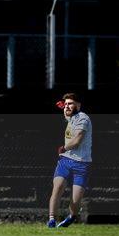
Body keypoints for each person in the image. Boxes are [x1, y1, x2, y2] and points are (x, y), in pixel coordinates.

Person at [47, 93, 93, 228]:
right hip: (65, 161)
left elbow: (77, 140)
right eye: (65, 103)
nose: (67, 106)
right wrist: (65, 107)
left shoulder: (83, 118)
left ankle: (72, 216)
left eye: (70, 103)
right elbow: (67, 116)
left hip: (82, 164)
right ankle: (51, 220)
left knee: (75, 200)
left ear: (78, 105)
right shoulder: (70, 116)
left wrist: (63, 147)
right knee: (58, 188)